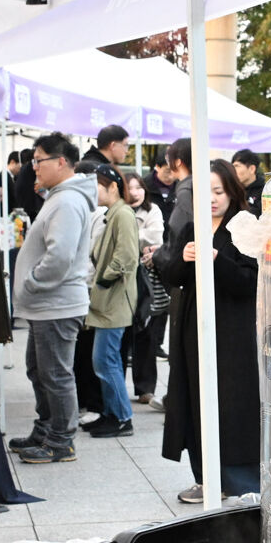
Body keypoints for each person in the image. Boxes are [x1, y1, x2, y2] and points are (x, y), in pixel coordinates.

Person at [158, 159, 262, 503]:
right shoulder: (193, 228)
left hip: (233, 330)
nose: (213, 200)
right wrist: (184, 259)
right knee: (194, 398)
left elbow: (250, 282)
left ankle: (237, 478)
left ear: (232, 190)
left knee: (232, 402)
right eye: (206, 193)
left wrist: (216, 260)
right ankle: (205, 477)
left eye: (218, 191)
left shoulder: (246, 227)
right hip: (192, 328)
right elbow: (172, 276)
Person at [11, 134, 99, 463]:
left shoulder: (67, 201)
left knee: (56, 374)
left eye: (39, 160)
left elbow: (59, 257)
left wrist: (31, 283)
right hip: (46, 305)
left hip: (55, 304)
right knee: (39, 370)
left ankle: (61, 440)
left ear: (61, 162)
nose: (33, 167)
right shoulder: (59, 197)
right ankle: (46, 429)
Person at [81, 163, 141, 438]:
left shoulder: (123, 214)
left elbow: (128, 255)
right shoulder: (113, 214)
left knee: (106, 361)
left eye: (97, 185)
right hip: (108, 299)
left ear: (112, 186)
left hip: (114, 299)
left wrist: (106, 277)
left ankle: (121, 417)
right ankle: (112, 413)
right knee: (104, 360)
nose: (93, 192)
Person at [125, 169, 167, 406]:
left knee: (146, 332)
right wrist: (139, 241)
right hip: (124, 279)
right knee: (121, 335)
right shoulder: (114, 212)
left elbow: (156, 238)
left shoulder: (153, 210)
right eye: (130, 188)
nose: (135, 192)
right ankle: (117, 389)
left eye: (138, 187)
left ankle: (145, 388)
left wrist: (132, 238)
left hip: (147, 280)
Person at [163, 138, 195, 232]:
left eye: (168, 160)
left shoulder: (185, 191)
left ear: (178, 162)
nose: (168, 165)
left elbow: (179, 230)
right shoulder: (199, 184)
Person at [232, 147, 265, 213]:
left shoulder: (265, 192)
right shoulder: (233, 191)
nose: (233, 170)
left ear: (252, 169)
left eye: (236, 166)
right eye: (232, 167)